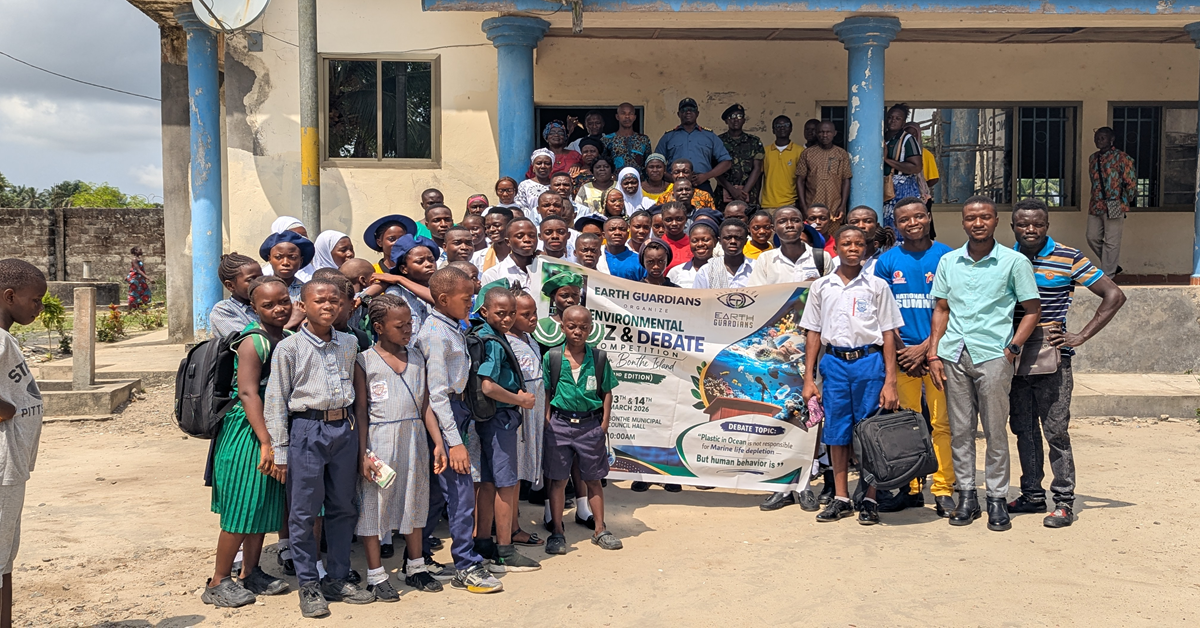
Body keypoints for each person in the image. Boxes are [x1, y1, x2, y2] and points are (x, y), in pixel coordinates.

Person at [926, 196, 1041, 533]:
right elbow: (942, 310)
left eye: (985, 217)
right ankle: (966, 497)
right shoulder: (949, 261)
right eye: (971, 218)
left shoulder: (1013, 262)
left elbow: (1032, 309)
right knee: (960, 431)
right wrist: (934, 353)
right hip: (953, 353)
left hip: (994, 355)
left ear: (996, 221)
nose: (978, 223)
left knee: (994, 431)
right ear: (963, 223)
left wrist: (1013, 347)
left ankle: (996, 498)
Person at [1009, 198, 1126, 528]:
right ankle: (1032, 494)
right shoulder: (1005, 257)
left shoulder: (1068, 256)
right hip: (1014, 354)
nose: (1030, 229)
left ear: (1047, 226)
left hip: (1052, 355)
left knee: (1055, 431)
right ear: (1013, 226)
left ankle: (1063, 501)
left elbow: (1114, 295)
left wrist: (1080, 336)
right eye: (1023, 224)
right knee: (1022, 428)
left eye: (1038, 224)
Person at [263, 277, 374, 618]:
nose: (328, 306)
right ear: (304, 306)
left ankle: (338, 578)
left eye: (334, 301)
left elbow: (359, 397)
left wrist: (361, 447)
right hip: (307, 430)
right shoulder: (290, 348)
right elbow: (276, 400)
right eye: (320, 301)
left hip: (343, 429)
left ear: (343, 305)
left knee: (343, 506)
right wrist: (279, 450)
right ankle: (309, 582)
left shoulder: (349, 343)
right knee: (303, 511)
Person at [801, 225, 903, 525]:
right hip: (834, 364)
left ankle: (870, 497)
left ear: (866, 247)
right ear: (838, 248)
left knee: (870, 433)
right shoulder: (822, 287)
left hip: (868, 363)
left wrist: (890, 380)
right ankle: (842, 497)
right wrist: (809, 377)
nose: (853, 248)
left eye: (859, 243)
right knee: (837, 432)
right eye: (847, 243)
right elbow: (813, 333)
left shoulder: (876, 286)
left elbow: (887, 333)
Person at [204, 276, 292, 608]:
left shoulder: (286, 336)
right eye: (268, 305)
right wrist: (266, 442)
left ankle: (251, 572)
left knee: (263, 506)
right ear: (254, 308)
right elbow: (247, 392)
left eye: (283, 300)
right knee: (242, 507)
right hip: (249, 433)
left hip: (272, 432)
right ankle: (218, 580)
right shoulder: (253, 341)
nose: (279, 308)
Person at [353, 295, 447, 600]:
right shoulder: (364, 361)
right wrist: (363, 453)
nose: (408, 330)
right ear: (378, 327)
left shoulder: (417, 358)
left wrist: (437, 443)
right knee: (374, 504)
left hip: (414, 438)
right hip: (379, 442)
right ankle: (376, 574)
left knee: (414, 498)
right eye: (400, 325)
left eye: (410, 323)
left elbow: (426, 407)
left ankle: (415, 566)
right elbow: (361, 413)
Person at [416, 267, 503, 593]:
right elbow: (436, 394)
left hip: (458, 411)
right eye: (466, 299)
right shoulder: (436, 335)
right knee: (461, 492)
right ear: (442, 299)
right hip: (445, 415)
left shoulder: (451, 326)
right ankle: (465, 564)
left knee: (440, 492)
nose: (471, 304)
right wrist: (454, 444)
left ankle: (421, 555)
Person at [873, 198, 957, 517]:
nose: (913, 223)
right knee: (907, 425)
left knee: (941, 424)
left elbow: (953, 309)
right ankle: (909, 488)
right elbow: (882, 313)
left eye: (919, 216)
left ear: (928, 217)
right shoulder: (886, 261)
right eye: (905, 219)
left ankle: (943, 489)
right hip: (902, 357)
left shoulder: (947, 257)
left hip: (938, 355)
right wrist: (902, 350)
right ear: (897, 224)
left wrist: (925, 348)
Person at [543, 305, 622, 554]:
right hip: (560, 425)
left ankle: (600, 529)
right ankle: (557, 531)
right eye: (572, 326)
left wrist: (604, 424)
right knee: (557, 480)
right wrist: (547, 421)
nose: (578, 331)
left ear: (590, 329)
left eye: (583, 327)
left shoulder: (598, 358)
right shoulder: (552, 358)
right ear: (563, 327)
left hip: (590, 426)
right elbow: (546, 391)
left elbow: (607, 390)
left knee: (593, 479)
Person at [472, 288, 542, 573]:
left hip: (488, 420)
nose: (508, 318)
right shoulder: (496, 343)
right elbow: (487, 385)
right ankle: (505, 551)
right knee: (506, 485)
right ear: (485, 311)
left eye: (512, 312)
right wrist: (520, 400)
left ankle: (483, 543)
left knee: (489, 483)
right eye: (500, 313)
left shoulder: (489, 335)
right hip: (500, 420)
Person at [0, 259, 46, 628]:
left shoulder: (6, 338)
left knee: (4, 559)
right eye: (36, 300)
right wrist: (9, 407)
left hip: (12, 466)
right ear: (10, 296)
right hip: (3, 468)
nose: (40, 308)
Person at [508, 291, 548, 548]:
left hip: (534, 415)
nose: (533, 319)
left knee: (522, 471)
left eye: (534, 313)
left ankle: (511, 520)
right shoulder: (508, 344)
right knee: (511, 475)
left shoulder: (530, 339)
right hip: (519, 419)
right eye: (526, 314)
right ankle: (510, 528)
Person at [1086, 126, 1136, 275]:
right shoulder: (1093, 158)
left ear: (1111, 139)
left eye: (1102, 138)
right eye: (1097, 138)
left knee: (1111, 241)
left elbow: (1131, 183)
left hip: (1115, 203)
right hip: (1096, 203)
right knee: (1091, 236)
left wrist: (1123, 201)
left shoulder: (1122, 158)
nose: (1099, 140)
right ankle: (1112, 264)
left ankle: (1108, 275)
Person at [656, 98, 731, 195]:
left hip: (702, 184)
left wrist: (706, 176)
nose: (688, 112)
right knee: (675, 210)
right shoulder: (668, 137)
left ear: (697, 113)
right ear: (678, 114)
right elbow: (657, 164)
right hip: (674, 185)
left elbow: (727, 162)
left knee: (706, 210)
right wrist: (672, 177)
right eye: (684, 110)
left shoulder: (709, 136)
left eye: (691, 109)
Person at [747, 206, 833, 286]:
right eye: (782, 221)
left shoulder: (822, 257)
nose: (789, 225)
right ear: (773, 228)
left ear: (802, 226)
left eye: (795, 220)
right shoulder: (765, 259)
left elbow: (832, 292)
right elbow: (757, 294)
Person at [385, 235, 439, 341]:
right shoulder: (395, 293)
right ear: (404, 269)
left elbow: (439, 300)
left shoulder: (441, 288)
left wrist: (400, 279)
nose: (428, 264)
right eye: (420, 261)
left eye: (431, 260)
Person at [796, 121, 852, 223]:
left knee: (834, 237)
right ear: (816, 133)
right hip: (812, 205)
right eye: (821, 132)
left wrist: (842, 206)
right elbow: (800, 181)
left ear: (834, 133)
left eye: (828, 132)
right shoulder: (807, 153)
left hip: (835, 207)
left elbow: (846, 180)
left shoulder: (841, 154)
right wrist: (803, 206)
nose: (824, 135)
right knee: (813, 236)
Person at [260, 231, 315, 330]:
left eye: (292, 257)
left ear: (301, 260)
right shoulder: (260, 290)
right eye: (278, 257)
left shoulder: (308, 292)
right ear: (270, 259)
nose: (285, 262)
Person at [882, 104, 923, 232]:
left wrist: (887, 160)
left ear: (903, 122)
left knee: (901, 223)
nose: (892, 121)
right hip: (883, 187)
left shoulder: (907, 139)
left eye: (897, 118)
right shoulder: (882, 137)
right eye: (890, 117)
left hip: (901, 188)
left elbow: (916, 167)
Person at [717, 103, 764, 210]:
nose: (736, 119)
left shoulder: (754, 142)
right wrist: (732, 190)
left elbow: (757, 169)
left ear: (744, 120)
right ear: (726, 121)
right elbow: (715, 169)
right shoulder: (718, 141)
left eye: (739, 116)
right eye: (732, 117)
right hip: (723, 194)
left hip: (748, 195)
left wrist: (743, 192)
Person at [481, 218, 543, 291]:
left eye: (532, 236)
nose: (527, 240)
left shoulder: (546, 268)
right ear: (508, 242)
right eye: (520, 236)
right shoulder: (493, 275)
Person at [210, 253, 263, 337]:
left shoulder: (267, 303)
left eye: (261, 278)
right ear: (230, 286)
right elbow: (247, 341)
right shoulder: (223, 310)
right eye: (250, 280)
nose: (259, 283)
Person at [760, 115, 804, 212]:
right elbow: (758, 177)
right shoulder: (765, 151)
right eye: (778, 126)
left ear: (791, 128)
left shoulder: (800, 151)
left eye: (786, 124)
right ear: (773, 130)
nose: (782, 127)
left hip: (791, 204)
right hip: (768, 205)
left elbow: (803, 180)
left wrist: (800, 203)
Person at [695, 218, 754, 289]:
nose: (733, 241)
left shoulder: (756, 268)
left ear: (745, 241)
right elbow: (698, 298)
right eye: (728, 238)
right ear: (720, 241)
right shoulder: (706, 271)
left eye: (738, 238)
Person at [668, 221, 717, 289]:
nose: (700, 244)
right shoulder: (676, 272)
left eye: (705, 240)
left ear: (715, 241)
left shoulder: (723, 271)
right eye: (694, 241)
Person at [604, 103, 652, 170]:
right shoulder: (607, 139)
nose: (627, 116)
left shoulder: (643, 139)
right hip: (616, 179)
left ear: (634, 117)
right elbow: (603, 164)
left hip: (639, 179)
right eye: (623, 113)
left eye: (631, 113)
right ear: (617, 117)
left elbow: (648, 163)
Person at [471, 207, 514, 274]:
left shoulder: (522, 256)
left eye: (496, 225)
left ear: (510, 225)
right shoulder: (476, 258)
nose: (491, 229)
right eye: (487, 227)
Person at [602, 217, 646, 281]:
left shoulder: (640, 260)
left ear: (628, 234)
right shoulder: (596, 257)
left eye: (622, 229)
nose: (617, 233)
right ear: (604, 235)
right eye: (612, 229)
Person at [517, 149, 556, 215]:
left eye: (547, 163)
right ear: (533, 167)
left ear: (552, 167)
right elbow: (520, 207)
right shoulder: (525, 185)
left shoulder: (556, 185)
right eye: (539, 163)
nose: (543, 166)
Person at [660, 201, 691, 272]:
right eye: (668, 220)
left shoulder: (694, 245)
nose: (674, 223)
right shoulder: (656, 246)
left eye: (679, 219)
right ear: (662, 221)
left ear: (686, 219)